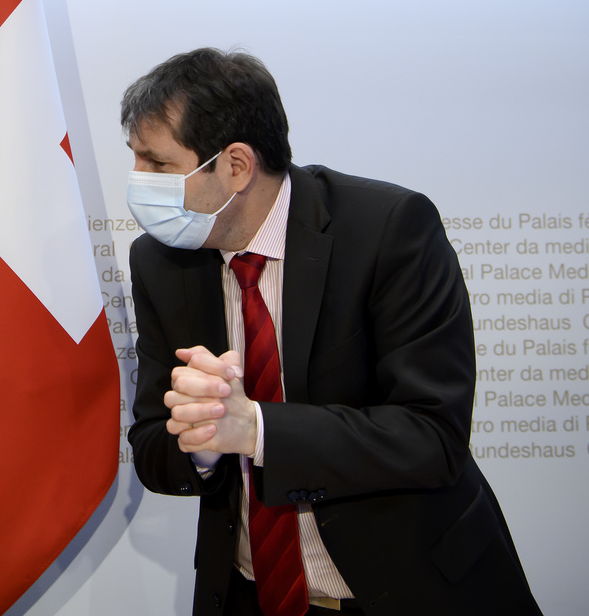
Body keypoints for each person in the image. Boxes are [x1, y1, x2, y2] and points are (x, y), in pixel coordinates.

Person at [122, 49, 541, 616]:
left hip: (403, 587)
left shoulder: (388, 230)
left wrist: (258, 427)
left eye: (158, 164)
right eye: (135, 161)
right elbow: (152, 444)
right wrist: (200, 444)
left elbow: (431, 435)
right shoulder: (160, 261)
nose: (139, 182)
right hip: (248, 591)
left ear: (237, 166)